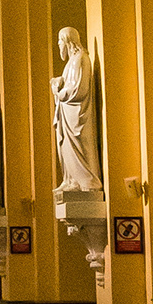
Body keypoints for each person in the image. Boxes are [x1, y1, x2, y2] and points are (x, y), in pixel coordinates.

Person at [51, 28, 102, 193]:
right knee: (66, 146)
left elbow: (78, 90)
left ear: (67, 40)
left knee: (78, 147)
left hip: (76, 115)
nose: (59, 44)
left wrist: (58, 92)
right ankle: (71, 179)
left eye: (60, 41)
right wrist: (59, 82)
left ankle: (86, 181)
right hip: (67, 113)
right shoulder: (72, 61)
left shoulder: (80, 59)